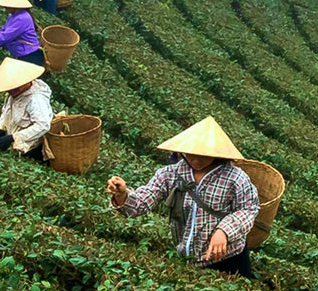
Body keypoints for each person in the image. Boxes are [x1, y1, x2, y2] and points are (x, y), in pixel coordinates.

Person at [106, 116, 260, 277]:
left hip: (229, 258)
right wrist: (123, 194)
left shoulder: (235, 178)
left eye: (203, 154)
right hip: (188, 259)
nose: (195, 159)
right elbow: (141, 204)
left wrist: (224, 231)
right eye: (191, 153)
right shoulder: (170, 174)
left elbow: (249, 209)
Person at [0, 57, 53, 162]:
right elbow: (6, 112)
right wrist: (0, 129)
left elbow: (43, 125)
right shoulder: (13, 94)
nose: (11, 91)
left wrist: (14, 137)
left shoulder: (36, 99)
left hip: (30, 148)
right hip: (13, 142)